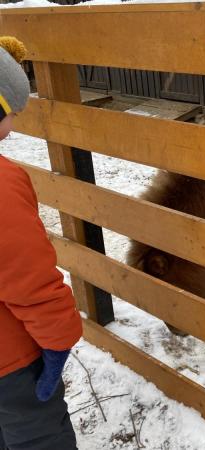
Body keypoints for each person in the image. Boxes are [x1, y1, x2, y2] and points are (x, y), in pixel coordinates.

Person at [0, 36, 82, 450]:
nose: (12, 130)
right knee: (37, 436)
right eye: (8, 115)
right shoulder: (1, 183)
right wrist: (58, 340)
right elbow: (27, 279)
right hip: (9, 362)